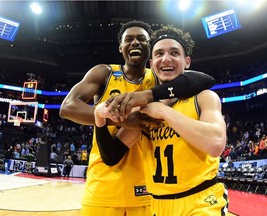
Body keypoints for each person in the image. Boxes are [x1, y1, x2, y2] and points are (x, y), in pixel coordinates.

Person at [59, 20, 215, 216]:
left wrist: (147, 95)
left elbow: (201, 79)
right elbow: (67, 107)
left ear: (149, 49)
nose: (134, 43)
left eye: (142, 39)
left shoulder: (159, 77)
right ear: (120, 47)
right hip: (104, 184)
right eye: (128, 39)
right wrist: (121, 119)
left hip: (147, 190)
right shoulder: (105, 72)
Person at [94, 25, 229, 215]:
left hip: (201, 199)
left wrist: (165, 112)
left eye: (174, 53)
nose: (166, 59)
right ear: (152, 63)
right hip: (158, 205)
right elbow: (111, 156)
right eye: (159, 54)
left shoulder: (203, 97)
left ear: (187, 61)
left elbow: (216, 144)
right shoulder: (144, 112)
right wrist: (98, 117)